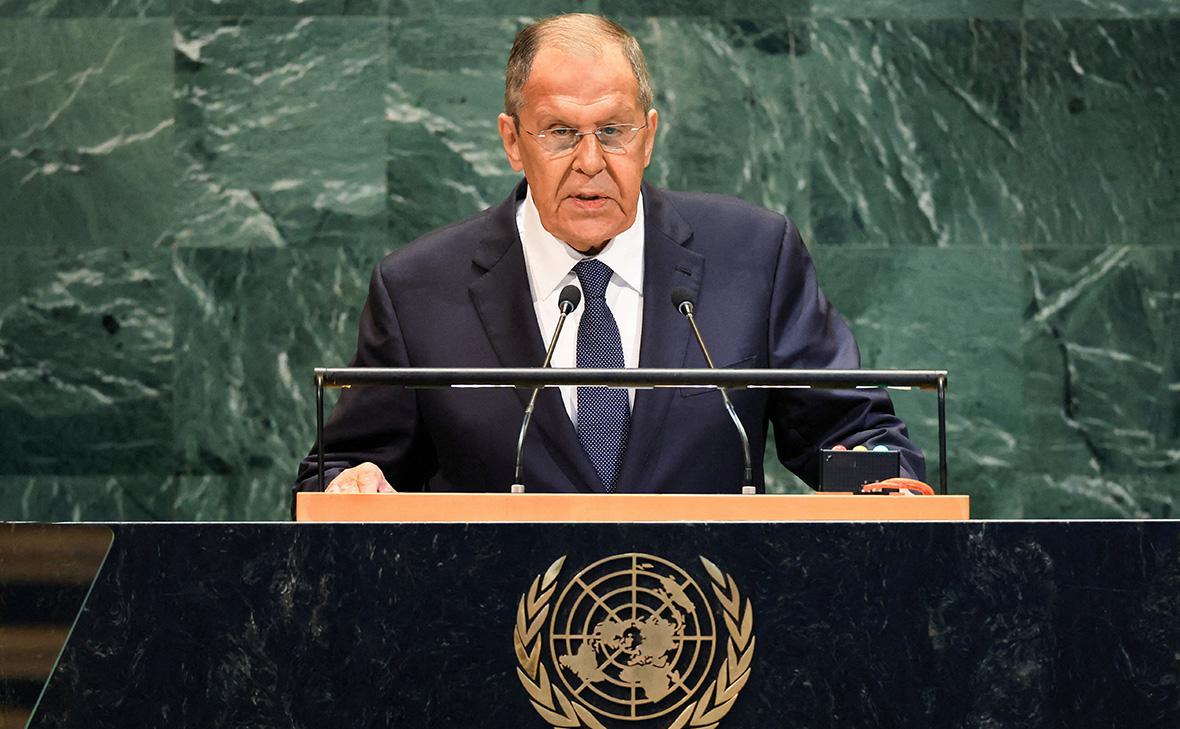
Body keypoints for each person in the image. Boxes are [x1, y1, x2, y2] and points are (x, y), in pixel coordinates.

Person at [294, 13, 924, 495]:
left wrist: (881, 480)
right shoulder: (418, 290)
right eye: (561, 132)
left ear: (648, 137)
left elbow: (850, 431)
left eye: (614, 131)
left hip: (708, 614)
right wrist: (349, 485)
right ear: (512, 141)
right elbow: (343, 469)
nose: (591, 161)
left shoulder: (754, 256)